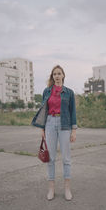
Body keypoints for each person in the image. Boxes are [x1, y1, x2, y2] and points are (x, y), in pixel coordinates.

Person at [32, 65, 77, 201]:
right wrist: (42, 128)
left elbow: (72, 111)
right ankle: (51, 189)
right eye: (54, 74)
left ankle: (67, 189)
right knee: (50, 158)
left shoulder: (69, 92)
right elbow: (44, 110)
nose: (57, 76)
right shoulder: (47, 91)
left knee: (66, 159)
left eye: (59, 73)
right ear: (52, 76)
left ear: (63, 75)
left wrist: (74, 130)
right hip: (50, 123)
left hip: (65, 125)